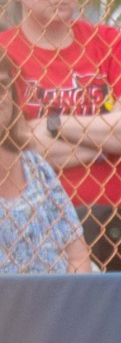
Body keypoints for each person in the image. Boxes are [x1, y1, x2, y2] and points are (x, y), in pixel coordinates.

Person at [1, 0, 121, 270]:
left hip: (113, 227)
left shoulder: (108, 42)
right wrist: (111, 139)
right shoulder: (4, 53)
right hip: (38, 232)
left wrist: (54, 125)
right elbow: (21, 149)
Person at [0, 49, 89, 272]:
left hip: (58, 302)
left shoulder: (35, 166)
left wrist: (68, 305)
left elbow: (78, 257)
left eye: (2, 86)